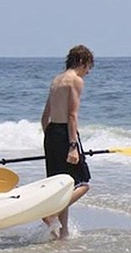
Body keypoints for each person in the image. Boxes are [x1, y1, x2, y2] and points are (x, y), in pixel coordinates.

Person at [40, 45, 95, 239]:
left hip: (52, 133)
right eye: (88, 67)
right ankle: (51, 213)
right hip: (65, 134)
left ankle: (62, 232)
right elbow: (72, 115)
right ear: (81, 62)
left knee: (61, 186)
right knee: (83, 183)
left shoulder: (56, 80)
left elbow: (44, 117)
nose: (87, 72)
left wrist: (51, 138)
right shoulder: (75, 80)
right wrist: (72, 146)